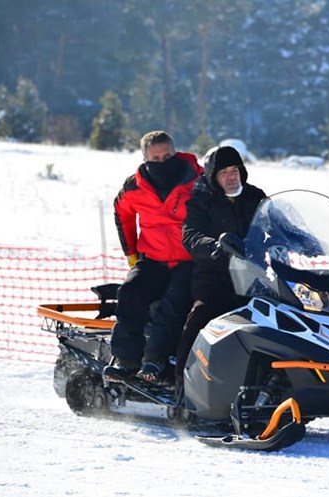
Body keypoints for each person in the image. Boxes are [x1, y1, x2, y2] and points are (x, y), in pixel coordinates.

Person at [106, 130, 203, 384]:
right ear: (146, 159)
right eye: (156, 159)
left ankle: (155, 360)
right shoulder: (134, 186)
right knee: (130, 291)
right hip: (153, 259)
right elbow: (122, 212)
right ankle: (125, 360)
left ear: (175, 153)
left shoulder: (198, 180)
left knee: (174, 300)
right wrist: (131, 253)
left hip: (189, 260)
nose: (163, 162)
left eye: (167, 156)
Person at [174, 146, 267, 386]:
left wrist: (310, 243)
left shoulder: (255, 196)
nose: (231, 177)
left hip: (254, 277)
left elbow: (279, 224)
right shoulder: (201, 200)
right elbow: (191, 235)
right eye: (223, 172)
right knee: (201, 314)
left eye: (234, 170)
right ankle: (182, 383)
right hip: (214, 276)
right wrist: (214, 246)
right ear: (213, 177)